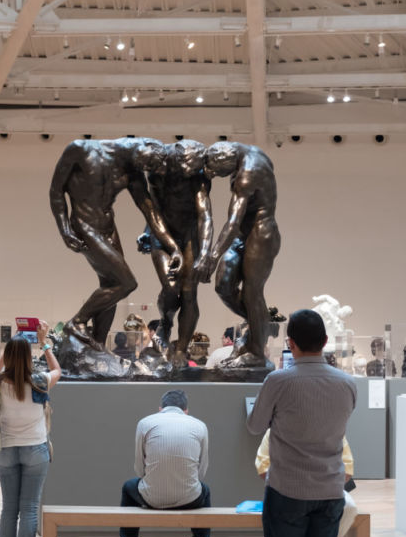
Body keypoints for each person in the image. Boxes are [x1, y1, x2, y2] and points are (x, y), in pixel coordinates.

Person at [246, 309, 356, 537]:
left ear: (289, 344)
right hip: (330, 491)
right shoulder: (347, 383)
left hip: (287, 491)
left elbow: (254, 425)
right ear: (325, 342)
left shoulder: (279, 380)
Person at [49, 137, 181, 348]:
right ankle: (77, 322)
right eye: (149, 163)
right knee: (126, 283)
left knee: (110, 285)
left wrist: (173, 247)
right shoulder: (80, 149)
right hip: (84, 225)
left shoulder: (133, 170)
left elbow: (149, 210)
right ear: (143, 146)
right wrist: (64, 229)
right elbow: (56, 191)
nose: (147, 168)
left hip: (108, 228)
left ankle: (98, 343)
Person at [0, 321, 61, 537]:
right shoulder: (39, 382)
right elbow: (57, 370)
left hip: (6, 450)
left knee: (9, 509)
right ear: (29, 357)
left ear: (8, 356)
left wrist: (4, 355)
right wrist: (45, 343)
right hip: (35, 449)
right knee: (29, 509)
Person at [195, 142, 281, 367]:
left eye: (217, 171)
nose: (214, 175)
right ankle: (260, 324)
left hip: (261, 232)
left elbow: (232, 223)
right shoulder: (242, 154)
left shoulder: (248, 173)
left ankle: (255, 350)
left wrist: (211, 257)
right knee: (223, 285)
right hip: (243, 234)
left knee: (252, 291)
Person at [117, 389, 211, 537]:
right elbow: (202, 470)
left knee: (128, 487)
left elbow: (138, 466)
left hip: (151, 498)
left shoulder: (145, 423)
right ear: (186, 411)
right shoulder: (200, 426)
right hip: (190, 499)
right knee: (205, 490)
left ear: (160, 409)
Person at [138, 139, 212, 365]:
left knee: (189, 292)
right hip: (162, 232)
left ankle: (181, 348)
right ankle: (165, 323)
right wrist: (147, 231)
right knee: (171, 288)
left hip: (189, 234)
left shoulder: (198, 171)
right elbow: (155, 209)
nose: (190, 174)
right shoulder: (157, 167)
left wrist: (207, 252)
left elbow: (204, 214)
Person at [256, 431, 358, 537]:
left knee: (349, 507)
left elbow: (347, 469)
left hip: (326, 490)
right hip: (288, 490)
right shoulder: (275, 431)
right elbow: (263, 467)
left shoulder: (333, 429)